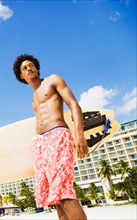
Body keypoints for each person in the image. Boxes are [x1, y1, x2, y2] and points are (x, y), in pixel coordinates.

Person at [12, 54, 88, 220]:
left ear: (37, 67)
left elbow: (73, 104)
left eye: (31, 65)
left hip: (57, 135)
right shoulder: (33, 99)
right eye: (24, 68)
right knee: (56, 198)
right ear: (21, 76)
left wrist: (79, 134)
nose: (28, 68)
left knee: (63, 191)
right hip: (40, 143)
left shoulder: (53, 80)